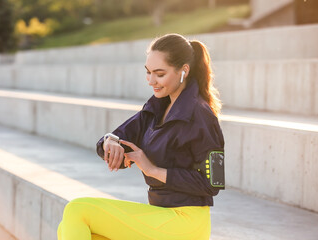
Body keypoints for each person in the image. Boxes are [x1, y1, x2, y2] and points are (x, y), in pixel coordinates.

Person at [57, 33, 225, 240]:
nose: (151, 81)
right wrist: (110, 141)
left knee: (78, 210)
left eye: (160, 74)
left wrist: (153, 170)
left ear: (184, 71)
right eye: (148, 72)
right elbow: (119, 136)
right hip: (160, 216)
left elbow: (211, 184)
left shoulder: (200, 115)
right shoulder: (157, 107)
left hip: (185, 221)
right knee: (70, 229)